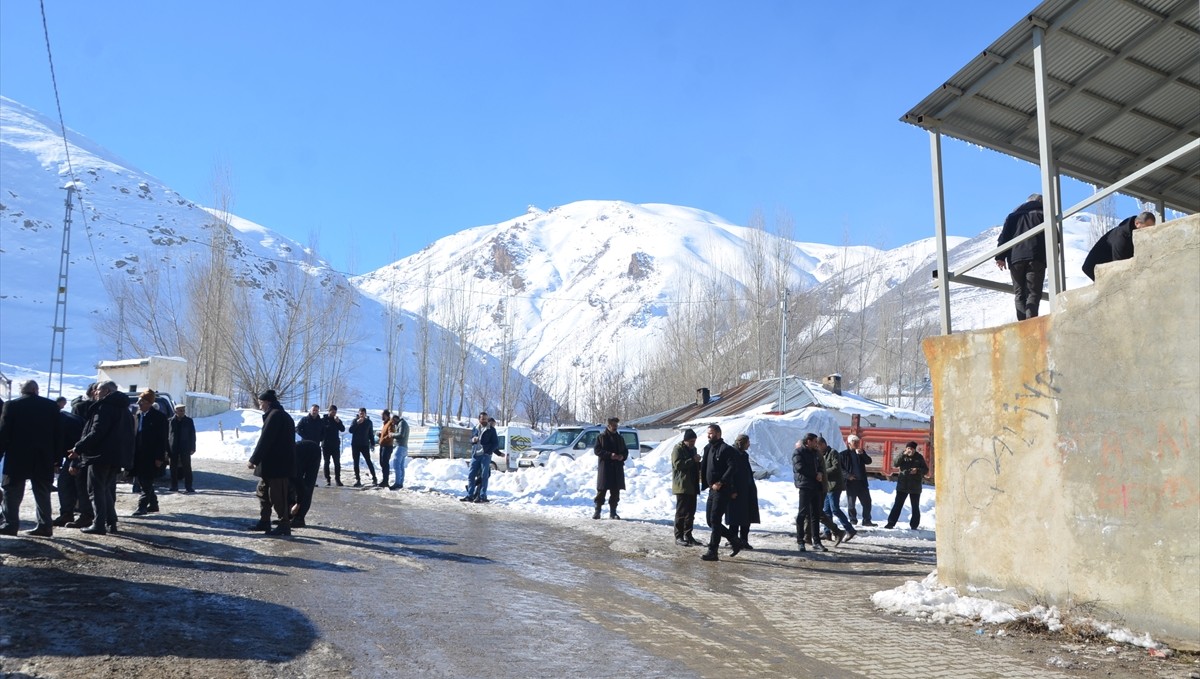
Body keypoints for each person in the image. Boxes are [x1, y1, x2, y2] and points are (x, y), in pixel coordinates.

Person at [70, 381, 134, 535]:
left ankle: (98, 524)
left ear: (106, 391)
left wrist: (78, 448)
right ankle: (111, 522)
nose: (95, 393)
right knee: (104, 489)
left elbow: (97, 431)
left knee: (95, 490)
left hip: (99, 455)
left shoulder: (104, 407)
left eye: (97, 390)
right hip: (116, 457)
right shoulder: (125, 409)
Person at [0, 380, 62, 537]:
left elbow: (4, 433)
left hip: (17, 457)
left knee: (12, 492)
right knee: (42, 492)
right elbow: (58, 434)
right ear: (36, 390)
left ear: (23, 391)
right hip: (44, 457)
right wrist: (57, 459)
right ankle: (45, 526)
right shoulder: (51, 406)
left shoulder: (12, 405)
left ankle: (11, 525)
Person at [247, 389, 296, 537]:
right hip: (271, 466)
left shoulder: (275, 416)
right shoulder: (278, 415)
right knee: (262, 492)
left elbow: (265, 440)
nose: (260, 406)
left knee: (277, 496)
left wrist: (253, 459)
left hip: (277, 466)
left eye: (261, 403)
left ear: (268, 402)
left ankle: (284, 524)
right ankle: (264, 521)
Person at [994, 193, 1046, 321]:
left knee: (1019, 294)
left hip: (1015, 258)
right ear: (1041, 202)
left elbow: (1004, 237)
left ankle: (1022, 324)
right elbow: (1054, 237)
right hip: (1036, 256)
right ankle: (1031, 323)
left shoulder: (1013, 216)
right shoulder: (1044, 213)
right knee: (1033, 292)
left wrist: (1000, 257)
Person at [699, 423, 740, 561]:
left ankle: (713, 551)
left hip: (722, 490)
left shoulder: (726, 449)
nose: (708, 436)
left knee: (715, 520)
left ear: (718, 434)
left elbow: (732, 468)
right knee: (711, 522)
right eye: (708, 433)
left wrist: (721, 482)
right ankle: (734, 539)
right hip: (712, 489)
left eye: (711, 433)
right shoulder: (708, 448)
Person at [1082, 211, 1156, 281]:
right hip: (1094, 268)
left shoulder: (1134, 235)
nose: (1148, 231)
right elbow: (1120, 264)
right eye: (1146, 228)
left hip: (1109, 267)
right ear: (1137, 223)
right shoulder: (1121, 237)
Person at [131, 390, 170, 516]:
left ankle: (142, 506)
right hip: (139, 454)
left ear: (149, 403)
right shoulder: (138, 415)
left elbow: (162, 439)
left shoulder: (159, 417)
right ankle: (153, 504)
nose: (138, 403)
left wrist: (159, 457)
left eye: (141, 401)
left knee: (146, 480)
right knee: (143, 481)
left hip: (151, 455)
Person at [52, 400, 85, 527]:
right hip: (75, 455)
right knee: (67, 484)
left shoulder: (65, 421)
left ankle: (83, 515)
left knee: (72, 485)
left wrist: (74, 462)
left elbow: (75, 442)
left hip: (78, 455)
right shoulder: (65, 418)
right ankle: (68, 514)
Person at [792, 433, 827, 552]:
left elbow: (821, 466)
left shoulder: (815, 453)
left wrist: (821, 473)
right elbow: (800, 468)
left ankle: (816, 541)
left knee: (815, 515)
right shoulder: (799, 452)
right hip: (805, 486)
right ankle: (800, 540)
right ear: (808, 441)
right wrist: (815, 475)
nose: (816, 444)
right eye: (814, 441)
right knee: (802, 514)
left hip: (816, 487)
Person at [885, 441, 930, 530]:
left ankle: (914, 525)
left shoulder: (919, 457)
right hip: (903, 485)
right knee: (897, 505)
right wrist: (903, 454)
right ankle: (891, 523)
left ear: (914, 449)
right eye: (908, 448)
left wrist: (917, 470)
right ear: (906, 449)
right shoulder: (903, 456)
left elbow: (925, 470)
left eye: (912, 449)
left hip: (915, 486)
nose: (910, 450)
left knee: (915, 506)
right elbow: (895, 464)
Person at [821, 436, 856, 543]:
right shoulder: (822, 455)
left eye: (818, 446)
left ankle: (849, 529)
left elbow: (836, 468)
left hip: (835, 486)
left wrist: (823, 472)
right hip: (827, 486)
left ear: (823, 444)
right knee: (826, 510)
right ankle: (827, 532)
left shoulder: (833, 453)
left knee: (835, 509)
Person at [670, 428, 702, 546]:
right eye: (691, 441)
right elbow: (678, 465)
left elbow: (694, 465)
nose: (693, 444)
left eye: (694, 441)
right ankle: (678, 536)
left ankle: (688, 535)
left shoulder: (693, 449)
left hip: (692, 485)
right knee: (681, 512)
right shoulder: (678, 449)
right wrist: (692, 460)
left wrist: (698, 463)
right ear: (685, 440)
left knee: (691, 513)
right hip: (682, 486)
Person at [729, 434, 761, 550]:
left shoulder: (744, 455)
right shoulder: (732, 454)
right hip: (737, 491)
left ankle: (744, 539)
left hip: (747, 491)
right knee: (735, 518)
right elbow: (730, 473)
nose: (749, 445)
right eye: (747, 442)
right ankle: (733, 539)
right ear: (741, 443)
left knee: (746, 517)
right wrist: (732, 489)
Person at [592, 417, 628, 520]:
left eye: (616, 426)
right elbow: (597, 450)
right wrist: (609, 455)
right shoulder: (601, 437)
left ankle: (613, 512)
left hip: (617, 469)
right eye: (613, 426)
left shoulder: (620, 438)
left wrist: (622, 456)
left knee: (615, 492)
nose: (615, 428)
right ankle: (597, 511)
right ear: (608, 426)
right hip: (605, 468)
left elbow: (625, 451)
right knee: (601, 491)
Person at [462, 412, 497, 503]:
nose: (485, 420)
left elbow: (495, 443)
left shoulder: (491, 430)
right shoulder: (475, 428)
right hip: (475, 455)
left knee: (484, 476)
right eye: (483, 419)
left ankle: (482, 496)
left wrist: (488, 452)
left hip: (485, 456)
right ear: (479, 419)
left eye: (486, 419)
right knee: (471, 475)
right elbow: (471, 440)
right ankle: (470, 495)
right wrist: (473, 440)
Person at [840, 435, 874, 526]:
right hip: (851, 482)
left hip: (861, 482)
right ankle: (853, 520)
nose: (857, 444)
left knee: (867, 502)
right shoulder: (843, 455)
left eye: (858, 442)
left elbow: (868, 461)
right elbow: (840, 469)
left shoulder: (860, 453)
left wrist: (862, 454)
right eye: (854, 442)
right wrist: (848, 475)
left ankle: (867, 520)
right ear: (849, 443)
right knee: (851, 503)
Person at [290, 439, 321, 528]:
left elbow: (300, 485)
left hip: (313, 452)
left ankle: (300, 518)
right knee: (290, 487)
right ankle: (290, 516)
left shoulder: (292, 466)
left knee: (308, 485)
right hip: (300, 453)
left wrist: (298, 503)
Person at [168, 404, 197, 493]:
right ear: (175, 411)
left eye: (183, 410)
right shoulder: (170, 421)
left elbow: (192, 435)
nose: (182, 412)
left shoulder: (189, 421)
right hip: (173, 447)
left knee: (187, 467)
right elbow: (167, 435)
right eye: (180, 410)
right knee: (173, 468)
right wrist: (166, 449)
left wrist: (193, 447)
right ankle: (174, 486)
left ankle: (189, 486)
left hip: (185, 447)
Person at [347, 407, 378, 487]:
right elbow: (350, 430)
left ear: (365, 414)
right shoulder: (355, 421)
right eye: (360, 413)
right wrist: (357, 423)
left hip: (364, 444)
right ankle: (358, 479)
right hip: (355, 445)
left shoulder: (369, 422)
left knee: (368, 461)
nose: (362, 415)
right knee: (356, 462)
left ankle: (374, 478)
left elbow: (371, 433)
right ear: (358, 413)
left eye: (363, 413)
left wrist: (372, 443)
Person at [320, 405, 345, 486]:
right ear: (329, 411)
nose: (334, 413)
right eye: (332, 412)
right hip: (326, 445)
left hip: (335, 445)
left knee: (337, 463)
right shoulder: (323, 420)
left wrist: (338, 422)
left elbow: (342, 429)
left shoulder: (336, 420)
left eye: (335, 412)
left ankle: (338, 479)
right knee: (327, 462)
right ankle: (328, 479)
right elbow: (320, 430)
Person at [389, 414, 409, 490]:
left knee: (396, 465)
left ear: (395, 419)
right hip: (404, 447)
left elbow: (401, 434)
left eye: (393, 422)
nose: (393, 424)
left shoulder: (402, 423)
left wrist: (392, 434)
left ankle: (397, 483)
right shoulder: (404, 423)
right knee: (401, 466)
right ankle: (400, 483)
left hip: (400, 447)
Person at [378, 410, 395, 488]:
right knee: (382, 463)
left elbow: (390, 434)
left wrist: (383, 439)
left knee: (385, 463)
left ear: (387, 416)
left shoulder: (390, 423)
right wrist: (380, 435)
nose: (382, 417)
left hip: (387, 446)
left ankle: (386, 481)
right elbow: (385, 434)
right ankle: (384, 480)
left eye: (383, 415)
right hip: (383, 445)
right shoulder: (385, 424)